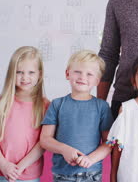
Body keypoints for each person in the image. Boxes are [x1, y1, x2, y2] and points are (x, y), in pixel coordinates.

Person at [40, 50, 113, 182]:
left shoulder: (102, 107)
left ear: (97, 81)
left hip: (92, 174)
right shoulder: (57, 104)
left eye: (89, 74)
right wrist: (64, 150)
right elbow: (45, 139)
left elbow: (109, 142)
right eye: (77, 72)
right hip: (62, 175)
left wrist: (90, 159)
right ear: (67, 73)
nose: (82, 77)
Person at [0, 46, 49, 182]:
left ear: (39, 74)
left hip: (28, 175)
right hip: (1, 172)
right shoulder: (2, 101)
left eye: (31, 72)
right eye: (19, 72)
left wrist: (20, 168)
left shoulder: (45, 105)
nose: (25, 77)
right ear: (11, 73)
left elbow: (42, 143)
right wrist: (3, 164)